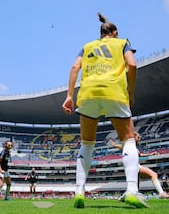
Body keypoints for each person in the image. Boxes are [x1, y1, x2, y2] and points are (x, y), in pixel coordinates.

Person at [62, 13, 147, 208]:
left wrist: (69, 96)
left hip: (88, 93)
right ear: (115, 33)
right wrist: (130, 92)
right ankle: (132, 190)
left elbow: (75, 67)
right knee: (128, 140)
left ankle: (79, 190)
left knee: (87, 143)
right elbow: (132, 64)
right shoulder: (122, 42)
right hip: (114, 92)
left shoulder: (87, 46)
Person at [110, 133, 169, 199]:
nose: (139, 139)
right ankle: (161, 193)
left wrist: (150, 154)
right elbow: (120, 146)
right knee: (154, 174)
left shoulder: (135, 147)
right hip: (135, 166)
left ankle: (123, 198)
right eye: (138, 137)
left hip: (133, 167)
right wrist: (114, 145)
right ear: (134, 138)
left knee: (135, 188)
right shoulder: (129, 146)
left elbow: (140, 154)